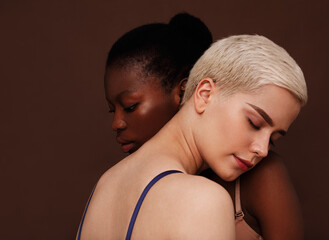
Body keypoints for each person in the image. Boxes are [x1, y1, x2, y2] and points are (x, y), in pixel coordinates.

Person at [77, 15, 307, 240]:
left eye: (274, 138)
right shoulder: (204, 200)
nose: (263, 150)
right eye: (254, 123)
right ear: (204, 94)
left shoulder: (105, 185)